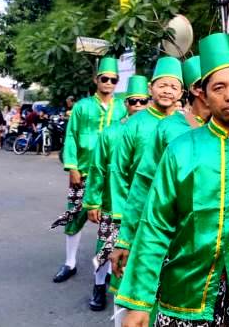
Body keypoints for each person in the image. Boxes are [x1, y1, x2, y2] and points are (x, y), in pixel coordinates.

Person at [116, 33, 229, 327]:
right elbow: (155, 225)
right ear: (203, 93)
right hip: (188, 287)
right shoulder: (181, 149)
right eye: (219, 88)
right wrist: (137, 303)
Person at [115, 55, 209, 258]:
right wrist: (126, 236)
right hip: (170, 227)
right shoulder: (168, 127)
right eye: (216, 85)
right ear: (197, 90)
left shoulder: (228, 129)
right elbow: (144, 180)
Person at [51, 57, 127, 284]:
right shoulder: (82, 107)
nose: (109, 83)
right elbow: (72, 136)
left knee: (109, 225)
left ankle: (104, 277)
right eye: (105, 79)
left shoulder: (122, 107)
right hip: (83, 172)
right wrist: (72, 167)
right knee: (75, 216)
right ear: (96, 80)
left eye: (114, 80)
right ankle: (70, 263)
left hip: (111, 176)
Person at [109, 56, 183, 278]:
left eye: (173, 86)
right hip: (137, 206)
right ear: (151, 88)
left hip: (170, 212)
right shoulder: (134, 124)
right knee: (128, 269)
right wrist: (122, 213)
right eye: (162, 85)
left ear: (181, 93)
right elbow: (119, 170)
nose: (167, 91)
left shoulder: (185, 126)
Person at [81, 75, 150, 313]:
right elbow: (97, 168)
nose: (139, 106)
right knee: (105, 247)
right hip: (113, 204)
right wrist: (92, 201)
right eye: (134, 101)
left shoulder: (158, 130)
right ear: (126, 104)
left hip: (144, 205)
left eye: (144, 101)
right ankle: (99, 287)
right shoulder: (110, 133)